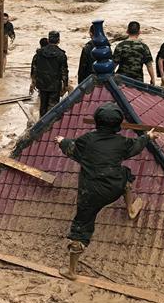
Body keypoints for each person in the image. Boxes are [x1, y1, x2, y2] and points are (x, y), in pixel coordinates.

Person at [53, 102, 152, 278]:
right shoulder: (122, 142)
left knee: (81, 227)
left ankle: (72, 271)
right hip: (114, 187)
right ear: (119, 125)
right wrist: (148, 137)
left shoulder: (87, 140)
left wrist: (61, 141)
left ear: (96, 122)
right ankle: (130, 208)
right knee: (125, 173)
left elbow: (72, 147)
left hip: (90, 193)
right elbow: (137, 145)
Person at [30, 30, 69, 118]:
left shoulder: (40, 53)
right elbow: (64, 71)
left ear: (48, 40)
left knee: (43, 106)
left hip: (42, 83)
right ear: (58, 40)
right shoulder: (61, 55)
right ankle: (51, 127)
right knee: (53, 107)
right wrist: (65, 85)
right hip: (54, 85)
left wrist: (33, 82)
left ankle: (41, 126)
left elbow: (34, 68)